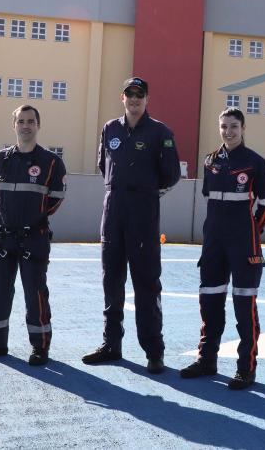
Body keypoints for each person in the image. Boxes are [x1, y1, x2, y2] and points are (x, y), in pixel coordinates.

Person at [82, 77, 181, 373]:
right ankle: (111, 344)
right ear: (122, 97)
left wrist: (145, 191)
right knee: (111, 281)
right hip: (113, 209)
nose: (134, 99)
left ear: (147, 98)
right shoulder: (110, 128)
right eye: (130, 94)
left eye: (140, 94)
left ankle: (154, 351)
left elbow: (171, 173)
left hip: (143, 211)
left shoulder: (160, 132)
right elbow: (104, 166)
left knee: (146, 284)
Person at [180, 107, 265, 390]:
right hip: (213, 244)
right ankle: (207, 360)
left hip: (244, 245)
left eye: (233, 126)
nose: (228, 131)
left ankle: (245, 369)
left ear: (243, 128)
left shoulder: (254, 162)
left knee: (243, 306)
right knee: (209, 301)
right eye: (223, 126)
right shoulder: (210, 161)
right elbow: (210, 201)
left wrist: (251, 231)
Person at [0, 105, 67, 366]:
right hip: (3, 238)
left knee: (35, 294)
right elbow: (0, 195)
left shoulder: (51, 162)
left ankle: (40, 347)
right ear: (14, 125)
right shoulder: (2, 159)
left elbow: (56, 199)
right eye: (21, 121)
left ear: (38, 125)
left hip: (34, 238)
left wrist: (33, 221)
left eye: (30, 121)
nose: (25, 125)